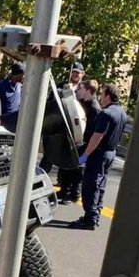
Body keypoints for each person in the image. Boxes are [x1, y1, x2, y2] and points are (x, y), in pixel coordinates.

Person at [70, 83, 127, 230]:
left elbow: (97, 137)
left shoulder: (106, 113)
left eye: (102, 94)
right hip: (110, 153)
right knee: (100, 184)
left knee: (91, 185)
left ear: (108, 95)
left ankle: (90, 218)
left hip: (99, 153)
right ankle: (95, 214)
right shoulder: (121, 112)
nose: (100, 97)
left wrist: (85, 155)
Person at [53, 63, 86, 203]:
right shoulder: (63, 86)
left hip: (78, 131)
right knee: (63, 161)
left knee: (76, 165)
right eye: (73, 72)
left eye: (77, 73)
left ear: (82, 75)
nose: (75, 75)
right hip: (63, 129)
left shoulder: (83, 90)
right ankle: (63, 189)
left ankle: (74, 193)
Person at [0, 63, 24, 132]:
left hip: (16, 121)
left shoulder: (20, 86)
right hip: (4, 122)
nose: (24, 76)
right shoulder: (1, 85)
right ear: (16, 74)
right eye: (22, 74)